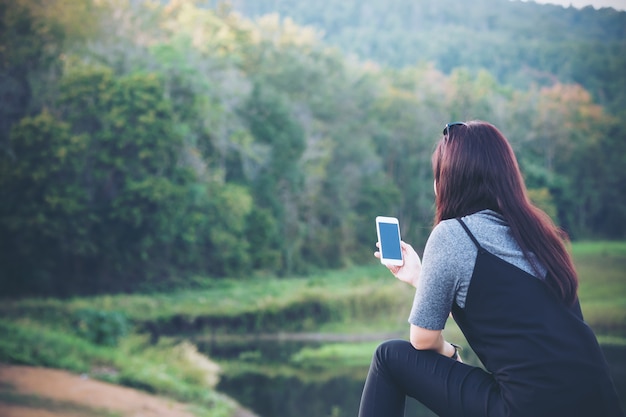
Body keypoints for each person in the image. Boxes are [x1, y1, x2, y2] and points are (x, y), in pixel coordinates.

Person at [358, 121, 624, 417]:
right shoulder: (540, 235)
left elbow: (421, 340)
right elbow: (507, 306)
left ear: (445, 181)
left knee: (388, 357)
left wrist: (451, 353)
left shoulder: (452, 234)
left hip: (528, 408)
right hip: (600, 402)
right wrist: (422, 278)